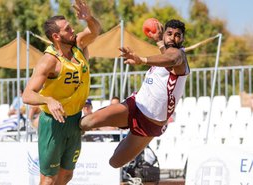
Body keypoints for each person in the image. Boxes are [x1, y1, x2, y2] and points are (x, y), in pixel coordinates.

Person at [80, 19, 189, 168]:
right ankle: (64, 130)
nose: (173, 37)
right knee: (88, 122)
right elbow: (166, 54)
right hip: (135, 105)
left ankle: (128, 132)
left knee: (115, 162)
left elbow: (171, 58)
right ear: (164, 35)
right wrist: (158, 40)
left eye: (177, 35)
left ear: (182, 39)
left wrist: (142, 60)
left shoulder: (179, 57)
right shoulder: (164, 54)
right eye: (169, 33)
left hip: (150, 124)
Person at [22, 0, 101, 184]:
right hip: (53, 123)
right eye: (67, 29)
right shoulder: (49, 61)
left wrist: (88, 18)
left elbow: (95, 30)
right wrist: (47, 99)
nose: (72, 30)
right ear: (56, 36)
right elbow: (27, 94)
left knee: (67, 175)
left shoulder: (79, 45)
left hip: (74, 119)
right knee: (49, 179)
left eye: (71, 26)